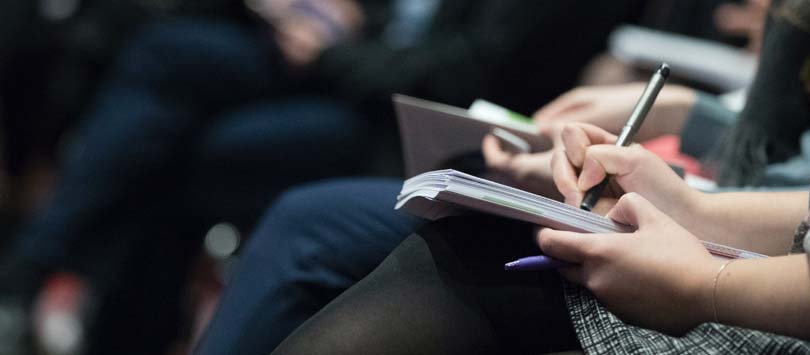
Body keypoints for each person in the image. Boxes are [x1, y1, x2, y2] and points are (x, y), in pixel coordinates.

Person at [270, 0, 810, 353]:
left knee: (430, 256)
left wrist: (702, 281)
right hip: (780, 230)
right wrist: (686, 203)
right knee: (448, 239)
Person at [0, 1, 643, 354]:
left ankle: (43, 280)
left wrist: (336, 51)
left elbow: (458, 72)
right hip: (358, 63)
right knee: (167, 66)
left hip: (404, 115)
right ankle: (50, 285)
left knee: (211, 163)